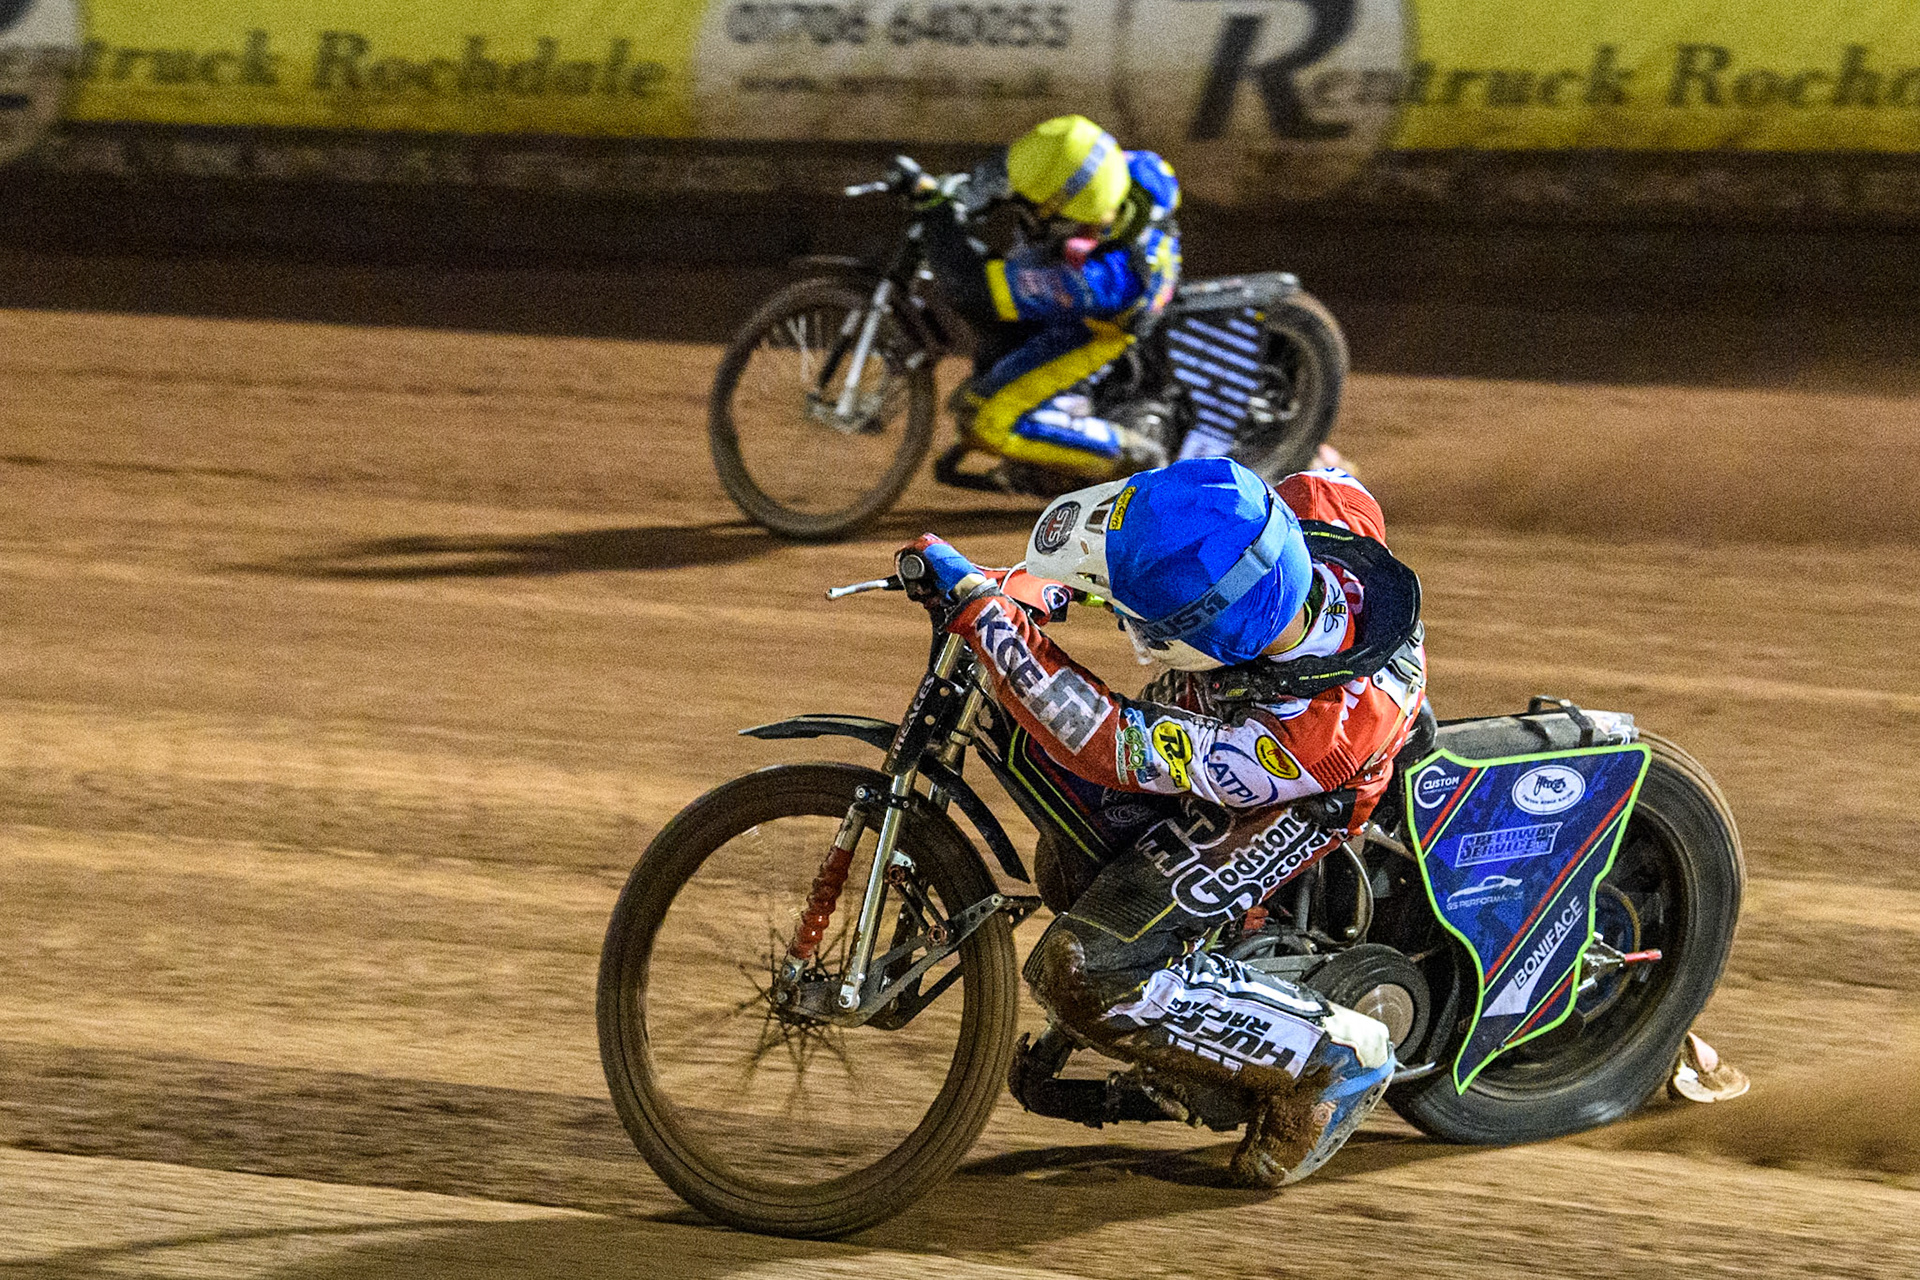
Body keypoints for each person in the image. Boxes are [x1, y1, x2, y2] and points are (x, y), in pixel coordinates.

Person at [897, 455, 1429, 1186]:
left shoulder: (1303, 739)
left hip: (1288, 797)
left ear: (1196, 637)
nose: (1120, 622)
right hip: (1239, 716)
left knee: (1084, 968)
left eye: (1135, 618)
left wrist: (996, 620)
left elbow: (1110, 742)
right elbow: (1324, 475)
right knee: (1072, 853)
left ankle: (1336, 1057)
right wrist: (1041, 586)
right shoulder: (1313, 517)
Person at [922, 114, 1182, 483]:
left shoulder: (1100, 280)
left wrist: (939, 216)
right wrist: (962, 198)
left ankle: (1131, 453)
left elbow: (983, 290)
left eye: (1035, 210)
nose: (1022, 211)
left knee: (982, 418)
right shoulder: (1124, 170)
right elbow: (1021, 172)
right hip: (1108, 266)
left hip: (1098, 327)